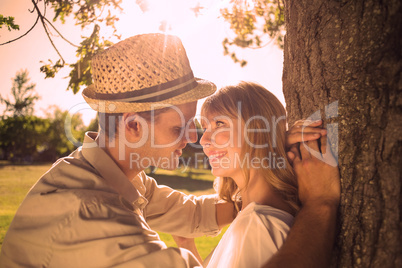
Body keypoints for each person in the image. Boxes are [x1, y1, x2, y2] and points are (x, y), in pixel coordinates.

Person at [0, 34, 339, 267]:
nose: (194, 138)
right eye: (179, 127)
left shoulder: (117, 178)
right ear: (133, 127)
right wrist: (321, 204)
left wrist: (272, 148)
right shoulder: (89, 211)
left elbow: (191, 213)